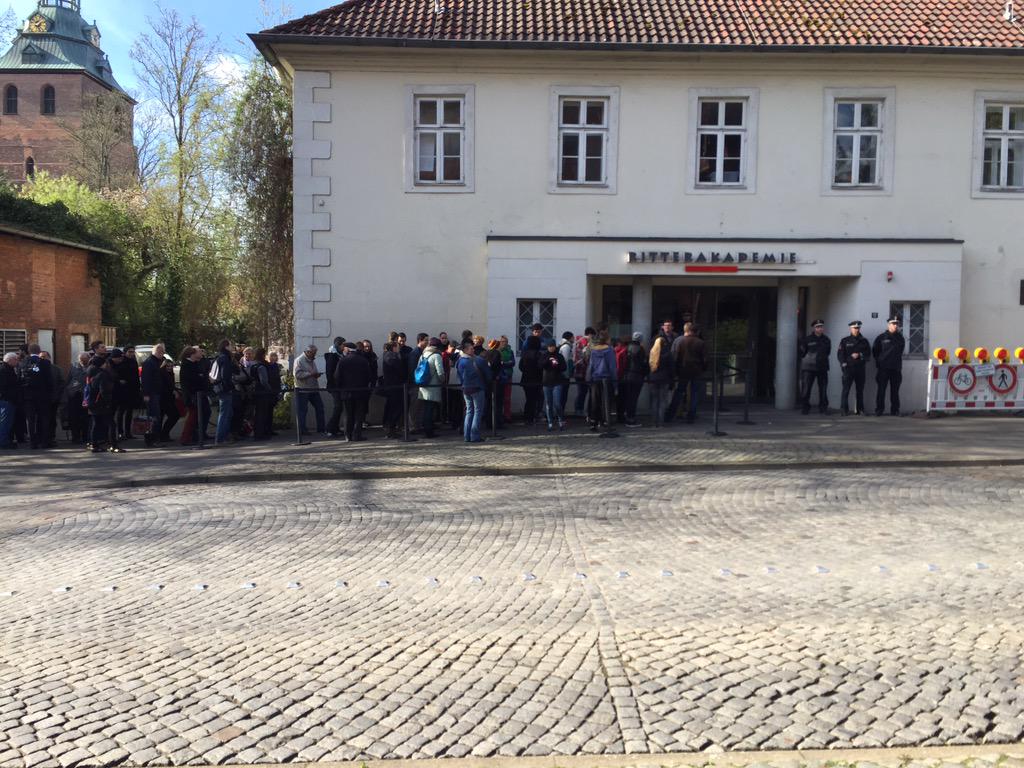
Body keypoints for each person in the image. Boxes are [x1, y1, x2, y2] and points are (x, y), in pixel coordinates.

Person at [666, 322, 708, 424]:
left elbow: (674, 357)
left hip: (682, 370)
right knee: (694, 394)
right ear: (695, 332)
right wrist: (703, 369)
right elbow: (705, 359)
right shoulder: (700, 343)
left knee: (679, 392)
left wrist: (674, 370)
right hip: (696, 370)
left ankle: (670, 415)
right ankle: (691, 416)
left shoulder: (680, 341)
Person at [335, 342, 373, 441]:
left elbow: (337, 377)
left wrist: (340, 388)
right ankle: (357, 435)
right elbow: (369, 376)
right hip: (360, 392)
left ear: (348, 349)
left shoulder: (343, 361)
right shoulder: (363, 361)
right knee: (358, 414)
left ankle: (347, 435)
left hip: (346, 392)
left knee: (348, 414)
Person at [456, 340, 492, 443]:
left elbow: (459, 375)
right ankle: (474, 436)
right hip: (477, 387)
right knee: (477, 412)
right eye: (471, 348)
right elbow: (488, 375)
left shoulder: (460, 361)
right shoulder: (478, 360)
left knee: (469, 411)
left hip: (465, 388)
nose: (473, 350)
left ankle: (467, 436)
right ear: (466, 350)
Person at [86, 353, 121, 453]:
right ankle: (113, 445)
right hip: (102, 403)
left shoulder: (90, 372)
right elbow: (104, 390)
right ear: (102, 364)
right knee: (111, 424)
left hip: (92, 402)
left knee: (95, 424)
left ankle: (94, 445)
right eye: (105, 363)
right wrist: (108, 402)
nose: (107, 364)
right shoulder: (102, 374)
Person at [21, 344, 54, 449]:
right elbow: (50, 380)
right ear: (39, 351)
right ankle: (44, 441)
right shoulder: (45, 363)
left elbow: (20, 379)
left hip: (29, 396)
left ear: (29, 351)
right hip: (43, 395)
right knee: (44, 418)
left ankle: (33, 442)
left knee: (30, 420)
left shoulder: (24, 363)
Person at [873, 316, 906, 416]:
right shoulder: (881, 337)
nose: (896, 325)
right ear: (889, 325)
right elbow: (875, 351)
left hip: (896, 368)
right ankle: (879, 410)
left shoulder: (900, 338)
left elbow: (900, 351)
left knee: (895, 391)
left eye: (897, 324)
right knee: (881, 390)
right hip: (884, 368)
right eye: (893, 323)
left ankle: (895, 410)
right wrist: (880, 362)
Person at [837, 320, 871, 416]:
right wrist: (843, 364)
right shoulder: (845, 340)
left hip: (860, 369)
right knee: (846, 389)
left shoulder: (864, 341)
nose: (856, 330)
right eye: (854, 328)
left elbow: (868, 354)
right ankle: (844, 409)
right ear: (850, 328)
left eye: (858, 328)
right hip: (849, 369)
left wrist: (860, 354)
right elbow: (840, 354)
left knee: (860, 390)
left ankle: (860, 409)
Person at [586, 328, 617, 431]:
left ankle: (594, 422)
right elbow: (612, 367)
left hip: (595, 378)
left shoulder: (594, 350)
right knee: (606, 401)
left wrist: (589, 378)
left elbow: (591, 366)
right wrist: (615, 382)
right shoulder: (609, 350)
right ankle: (605, 422)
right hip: (606, 378)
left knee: (595, 401)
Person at [799, 320, 832, 415]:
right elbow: (802, 352)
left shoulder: (826, 339)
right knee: (806, 389)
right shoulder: (807, 339)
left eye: (821, 326)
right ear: (814, 328)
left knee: (823, 389)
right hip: (809, 368)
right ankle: (805, 407)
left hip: (822, 367)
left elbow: (828, 352)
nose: (820, 328)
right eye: (818, 327)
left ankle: (823, 408)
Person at [293, 344, 328, 436]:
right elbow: (297, 375)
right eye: (313, 353)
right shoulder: (299, 360)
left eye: (315, 353)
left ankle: (321, 428)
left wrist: (316, 374)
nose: (314, 355)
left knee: (320, 408)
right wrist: (310, 374)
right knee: (302, 410)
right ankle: (302, 430)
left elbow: (312, 372)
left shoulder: (312, 360)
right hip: (303, 389)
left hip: (313, 388)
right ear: (308, 352)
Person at [179, 346, 210, 447]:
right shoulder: (187, 365)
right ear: (192, 353)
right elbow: (190, 382)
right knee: (192, 417)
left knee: (201, 415)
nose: (201, 353)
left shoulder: (195, 364)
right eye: (199, 352)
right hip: (192, 396)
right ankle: (185, 438)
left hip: (199, 394)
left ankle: (198, 435)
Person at [647, 321, 674, 428]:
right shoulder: (667, 354)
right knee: (662, 401)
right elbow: (671, 368)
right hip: (664, 378)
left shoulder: (652, 354)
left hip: (653, 378)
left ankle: (654, 421)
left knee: (654, 400)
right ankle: (661, 421)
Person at [139, 343, 167, 446]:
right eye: (161, 352)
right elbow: (146, 379)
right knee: (153, 417)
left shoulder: (156, 362)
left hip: (156, 392)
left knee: (155, 416)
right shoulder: (149, 362)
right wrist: (146, 394)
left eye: (163, 352)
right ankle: (152, 439)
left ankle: (155, 439)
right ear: (157, 351)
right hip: (152, 393)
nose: (162, 354)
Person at [416, 337, 444, 438]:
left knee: (425, 408)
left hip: (423, 385)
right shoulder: (436, 355)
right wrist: (443, 381)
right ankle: (429, 431)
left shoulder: (423, 354)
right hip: (433, 386)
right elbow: (440, 372)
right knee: (430, 409)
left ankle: (426, 429)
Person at [112, 347, 139, 441]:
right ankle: (120, 432)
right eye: (129, 352)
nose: (131, 354)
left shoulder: (134, 362)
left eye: (133, 352)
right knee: (121, 412)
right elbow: (115, 374)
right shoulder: (121, 362)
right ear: (125, 352)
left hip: (132, 390)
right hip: (122, 391)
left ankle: (128, 432)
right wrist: (119, 380)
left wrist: (137, 390)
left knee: (130, 412)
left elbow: (136, 376)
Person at [541, 340, 568, 431]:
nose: (551, 348)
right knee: (548, 404)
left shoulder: (559, 356)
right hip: (546, 382)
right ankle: (550, 422)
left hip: (558, 382)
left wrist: (557, 363)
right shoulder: (544, 355)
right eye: (549, 346)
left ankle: (560, 420)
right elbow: (540, 365)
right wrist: (548, 361)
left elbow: (564, 367)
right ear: (547, 347)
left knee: (557, 403)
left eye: (552, 346)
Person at [212, 339, 236, 445]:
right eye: (231, 345)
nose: (232, 347)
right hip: (224, 388)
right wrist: (229, 386)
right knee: (224, 413)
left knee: (227, 413)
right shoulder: (225, 358)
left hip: (219, 387)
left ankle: (223, 436)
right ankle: (220, 438)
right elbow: (225, 375)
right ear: (226, 346)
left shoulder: (219, 357)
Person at [380, 341, 405, 438]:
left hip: (391, 386)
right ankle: (391, 429)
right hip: (395, 386)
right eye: (397, 347)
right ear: (394, 347)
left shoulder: (387, 355)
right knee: (394, 408)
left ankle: (390, 428)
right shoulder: (392, 357)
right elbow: (399, 370)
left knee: (391, 407)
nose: (398, 349)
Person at [65, 351, 91, 445]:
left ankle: (85, 436)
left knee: (85, 418)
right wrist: (69, 390)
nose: (83, 362)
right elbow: (68, 380)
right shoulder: (74, 367)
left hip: (86, 396)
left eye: (85, 361)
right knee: (74, 417)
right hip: (74, 395)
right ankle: (75, 437)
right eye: (81, 360)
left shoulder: (91, 367)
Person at [39, 351, 64, 443]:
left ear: (49, 358)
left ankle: (51, 436)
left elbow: (62, 382)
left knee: (52, 419)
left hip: (53, 398)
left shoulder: (56, 369)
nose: (42, 359)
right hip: (41, 399)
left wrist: (57, 394)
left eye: (44, 357)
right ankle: (43, 436)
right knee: (42, 419)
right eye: (40, 357)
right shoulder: (37, 368)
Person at [623, 332, 648, 426]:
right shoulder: (641, 349)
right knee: (634, 398)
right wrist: (645, 373)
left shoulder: (628, 347)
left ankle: (628, 417)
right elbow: (643, 364)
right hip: (637, 376)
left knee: (629, 398)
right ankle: (631, 419)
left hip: (628, 375)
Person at [249, 348, 274, 440]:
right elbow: (264, 381)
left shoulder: (253, 364)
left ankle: (258, 433)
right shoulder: (262, 366)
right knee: (262, 413)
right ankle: (260, 434)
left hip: (255, 391)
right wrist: (269, 389)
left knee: (258, 413)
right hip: (262, 392)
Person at [518, 335, 544, 425]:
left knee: (529, 399)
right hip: (536, 379)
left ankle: (527, 417)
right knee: (534, 400)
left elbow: (520, 367)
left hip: (526, 379)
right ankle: (532, 417)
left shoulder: (524, 353)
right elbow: (541, 367)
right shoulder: (538, 354)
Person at [324, 336, 346, 437]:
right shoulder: (333, 357)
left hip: (338, 386)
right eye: (342, 345)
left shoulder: (339, 355)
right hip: (334, 387)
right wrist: (335, 384)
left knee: (339, 408)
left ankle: (335, 428)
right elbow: (330, 373)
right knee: (338, 407)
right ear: (338, 345)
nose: (344, 347)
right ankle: (329, 428)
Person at [573, 327, 595, 417]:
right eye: (593, 336)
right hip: (585, 371)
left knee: (581, 392)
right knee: (584, 392)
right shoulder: (587, 343)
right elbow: (587, 357)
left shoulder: (578, 342)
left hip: (578, 371)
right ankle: (580, 410)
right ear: (590, 334)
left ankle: (578, 409)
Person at [158, 355, 181, 442]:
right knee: (173, 415)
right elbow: (163, 387)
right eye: (168, 366)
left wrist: (175, 390)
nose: (170, 368)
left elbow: (171, 385)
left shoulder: (171, 374)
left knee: (173, 416)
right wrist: (173, 391)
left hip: (169, 399)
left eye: (171, 366)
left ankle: (163, 434)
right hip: (164, 399)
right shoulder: (162, 374)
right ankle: (162, 434)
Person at [0, 352, 20, 449]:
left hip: (9, 400)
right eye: (16, 359)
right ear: (10, 360)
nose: (17, 361)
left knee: (7, 422)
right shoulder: (4, 370)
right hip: (6, 400)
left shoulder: (8, 369)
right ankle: (3, 442)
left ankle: (5, 440)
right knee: (5, 422)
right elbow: (4, 387)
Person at [499, 336, 515, 423]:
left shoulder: (510, 351)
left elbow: (512, 362)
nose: (503, 343)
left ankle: (507, 415)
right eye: (502, 341)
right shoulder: (498, 351)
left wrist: (503, 363)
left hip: (508, 376)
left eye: (505, 341)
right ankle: (499, 415)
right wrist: (506, 363)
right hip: (500, 377)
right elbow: (498, 363)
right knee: (500, 397)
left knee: (507, 397)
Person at [558, 332, 575, 414]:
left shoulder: (564, 345)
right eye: (573, 337)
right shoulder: (566, 347)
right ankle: (560, 415)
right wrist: (566, 375)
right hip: (564, 376)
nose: (574, 339)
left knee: (562, 395)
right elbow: (565, 361)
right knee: (563, 395)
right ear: (570, 338)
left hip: (562, 375)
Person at [614, 336, 628, 423]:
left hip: (614, 377)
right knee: (622, 398)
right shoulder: (624, 351)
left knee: (615, 398)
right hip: (622, 377)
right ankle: (620, 416)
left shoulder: (613, 351)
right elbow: (623, 365)